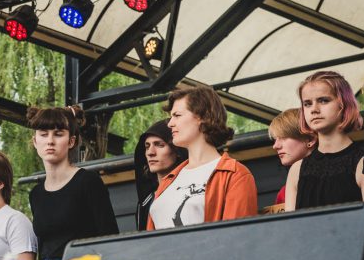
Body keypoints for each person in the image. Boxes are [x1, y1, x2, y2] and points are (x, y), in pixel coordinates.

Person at [148, 85, 258, 230]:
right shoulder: (168, 180)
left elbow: (237, 236)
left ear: (203, 117)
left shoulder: (235, 175)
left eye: (177, 115)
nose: (170, 123)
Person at [26, 106, 118, 260]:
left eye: (58, 134)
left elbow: (110, 237)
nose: (50, 141)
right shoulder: (36, 194)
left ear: (71, 141)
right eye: (43, 134)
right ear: (35, 141)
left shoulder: (88, 182)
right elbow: (43, 247)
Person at [284, 71, 364, 211]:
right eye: (307, 104)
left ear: (343, 104)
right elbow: (290, 223)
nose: (314, 109)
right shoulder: (296, 170)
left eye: (323, 100)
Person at [132, 119, 188, 229]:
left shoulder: (191, 193)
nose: (150, 152)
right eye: (147, 146)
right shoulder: (146, 202)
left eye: (159, 145)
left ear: (177, 150)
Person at [268, 108, 316, 206]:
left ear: (310, 139)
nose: (275, 146)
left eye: (283, 137)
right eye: (275, 139)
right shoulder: (283, 193)